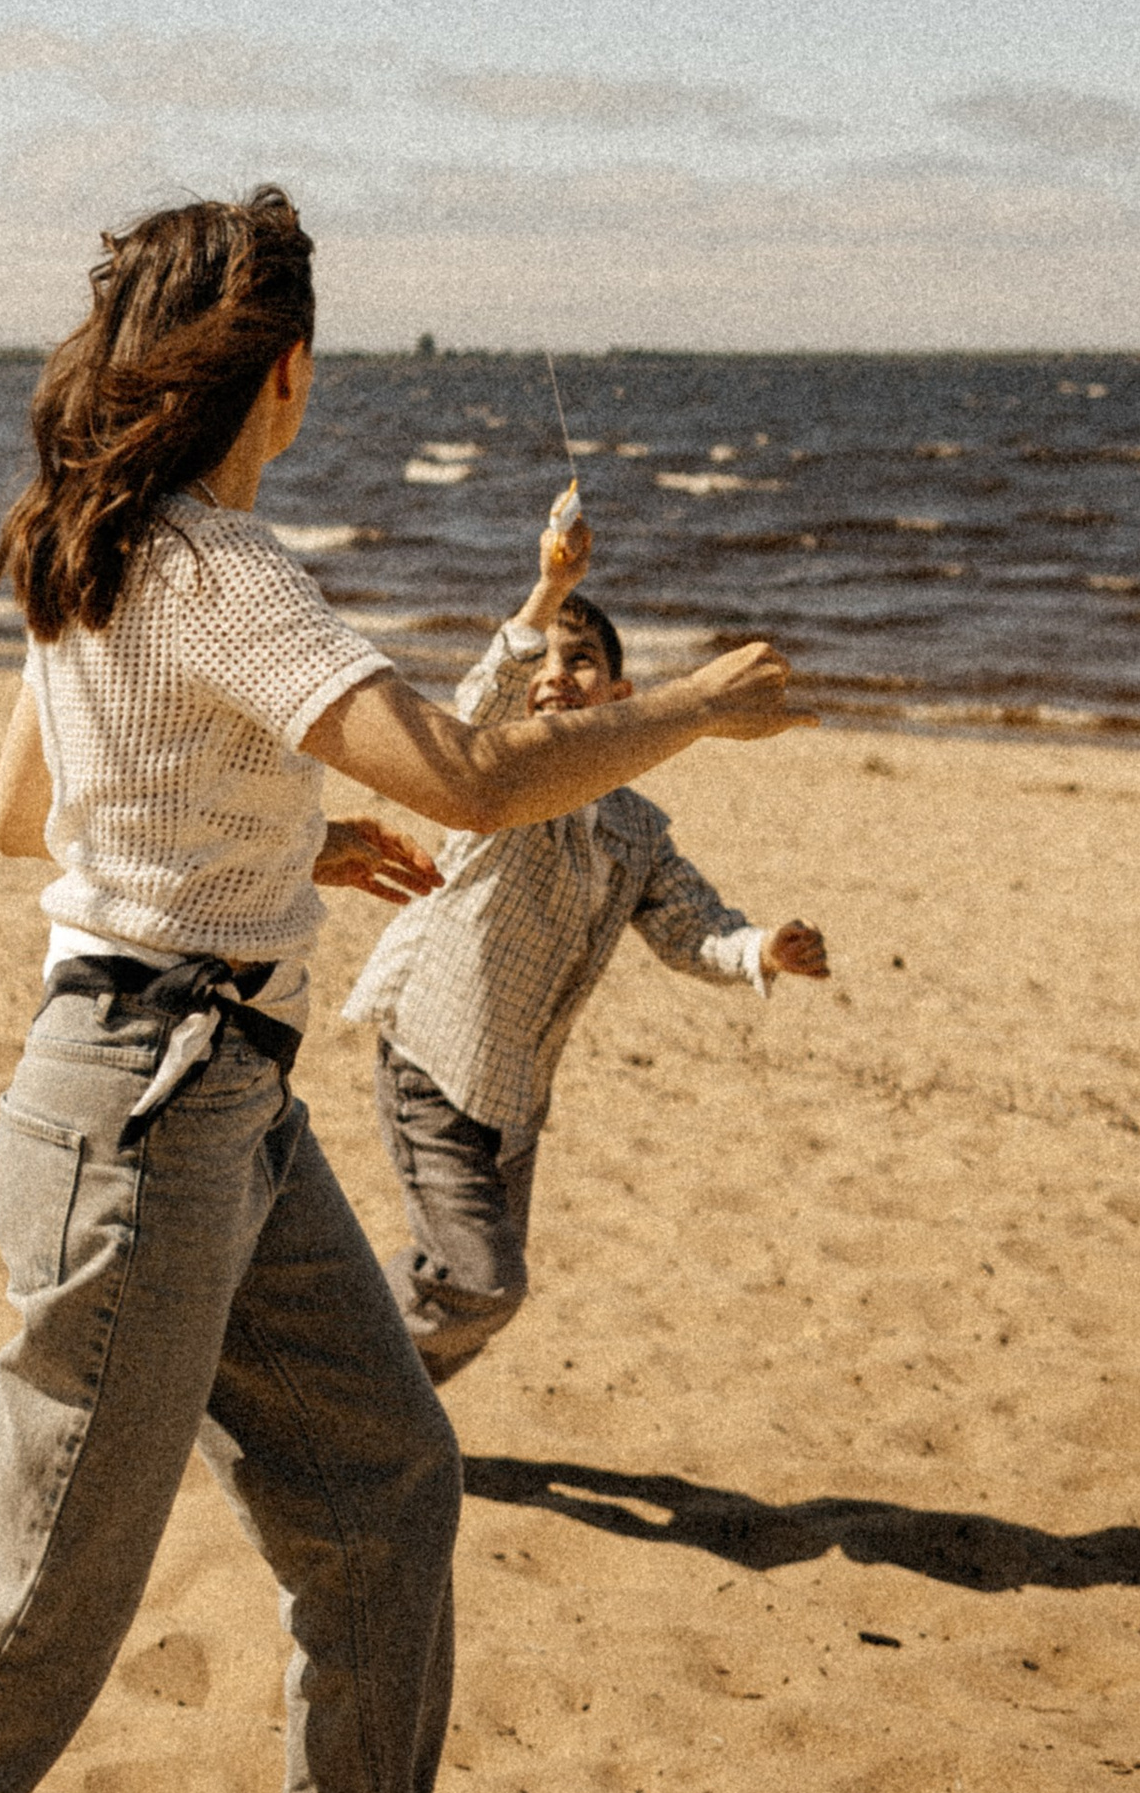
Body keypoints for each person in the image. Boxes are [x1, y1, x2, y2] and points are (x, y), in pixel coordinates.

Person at [0, 191, 813, 1793]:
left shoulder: (102, 559)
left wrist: (277, 832)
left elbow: (42, 815)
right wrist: (690, 715)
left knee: (392, 1482)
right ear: (289, 376)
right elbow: (482, 776)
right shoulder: (222, 572)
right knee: (49, 1563)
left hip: (214, 1098)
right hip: (147, 1111)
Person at [346, 499, 830, 1385]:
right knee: (483, 1283)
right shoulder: (494, 775)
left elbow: (693, 928)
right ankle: (338, 1377)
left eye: (584, 662)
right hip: (431, 1066)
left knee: (479, 1296)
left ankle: (383, 1412)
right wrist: (549, 590)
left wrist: (761, 948)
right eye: (547, 663)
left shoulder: (635, 830)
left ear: (621, 702)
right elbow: (482, 697)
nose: (557, 675)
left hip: (517, 1095)